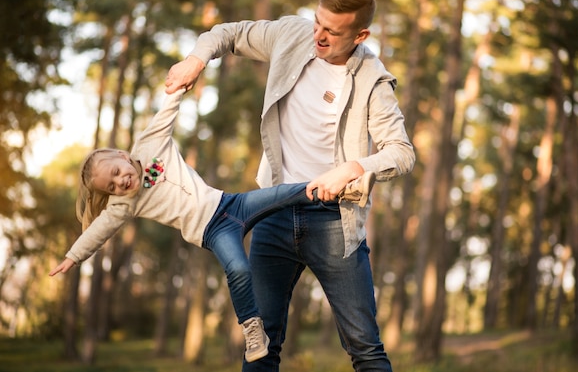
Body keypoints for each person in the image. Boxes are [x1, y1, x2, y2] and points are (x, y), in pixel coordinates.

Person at [165, 0, 415, 371]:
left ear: (361, 35)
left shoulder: (373, 81)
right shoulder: (293, 35)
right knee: (261, 346)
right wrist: (196, 59)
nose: (318, 35)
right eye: (318, 22)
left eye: (332, 31)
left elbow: (401, 153)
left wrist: (354, 168)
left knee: (365, 349)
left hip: (334, 222)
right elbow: (228, 33)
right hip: (274, 211)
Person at [48, 88, 376, 363]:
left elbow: (167, 110)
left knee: (284, 193)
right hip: (214, 231)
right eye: (112, 187)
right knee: (238, 269)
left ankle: (342, 188)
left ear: (122, 155)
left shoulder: (150, 145)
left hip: (229, 204)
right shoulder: (122, 205)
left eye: (118, 173)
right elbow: (98, 230)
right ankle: (252, 329)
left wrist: (181, 83)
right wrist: (73, 256)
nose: (121, 183)